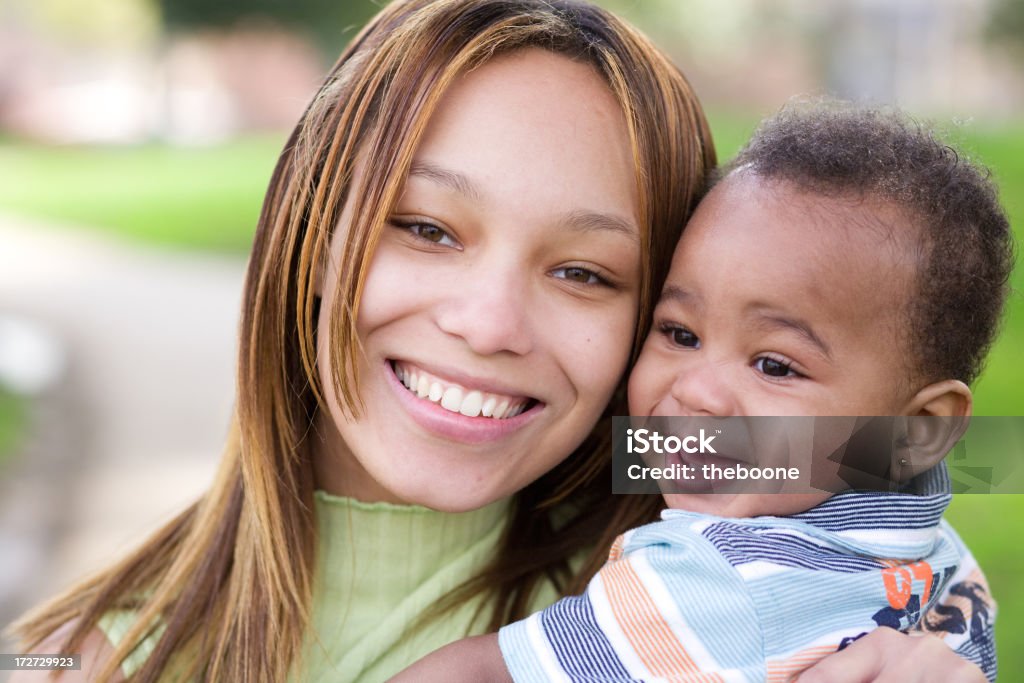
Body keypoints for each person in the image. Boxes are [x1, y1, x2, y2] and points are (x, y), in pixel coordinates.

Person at [6, 2, 992, 681]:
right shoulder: (89, 657)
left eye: (585, 273)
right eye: (426, 227)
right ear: (311, 236)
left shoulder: (729, 604)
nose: (487, 322)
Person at [388, 102, 1010, 682]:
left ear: (922, 428)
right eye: (680, 333)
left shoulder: (715, 577)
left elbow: (481, 675)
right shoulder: (933, 551)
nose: (699, 393)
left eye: (774, 365)